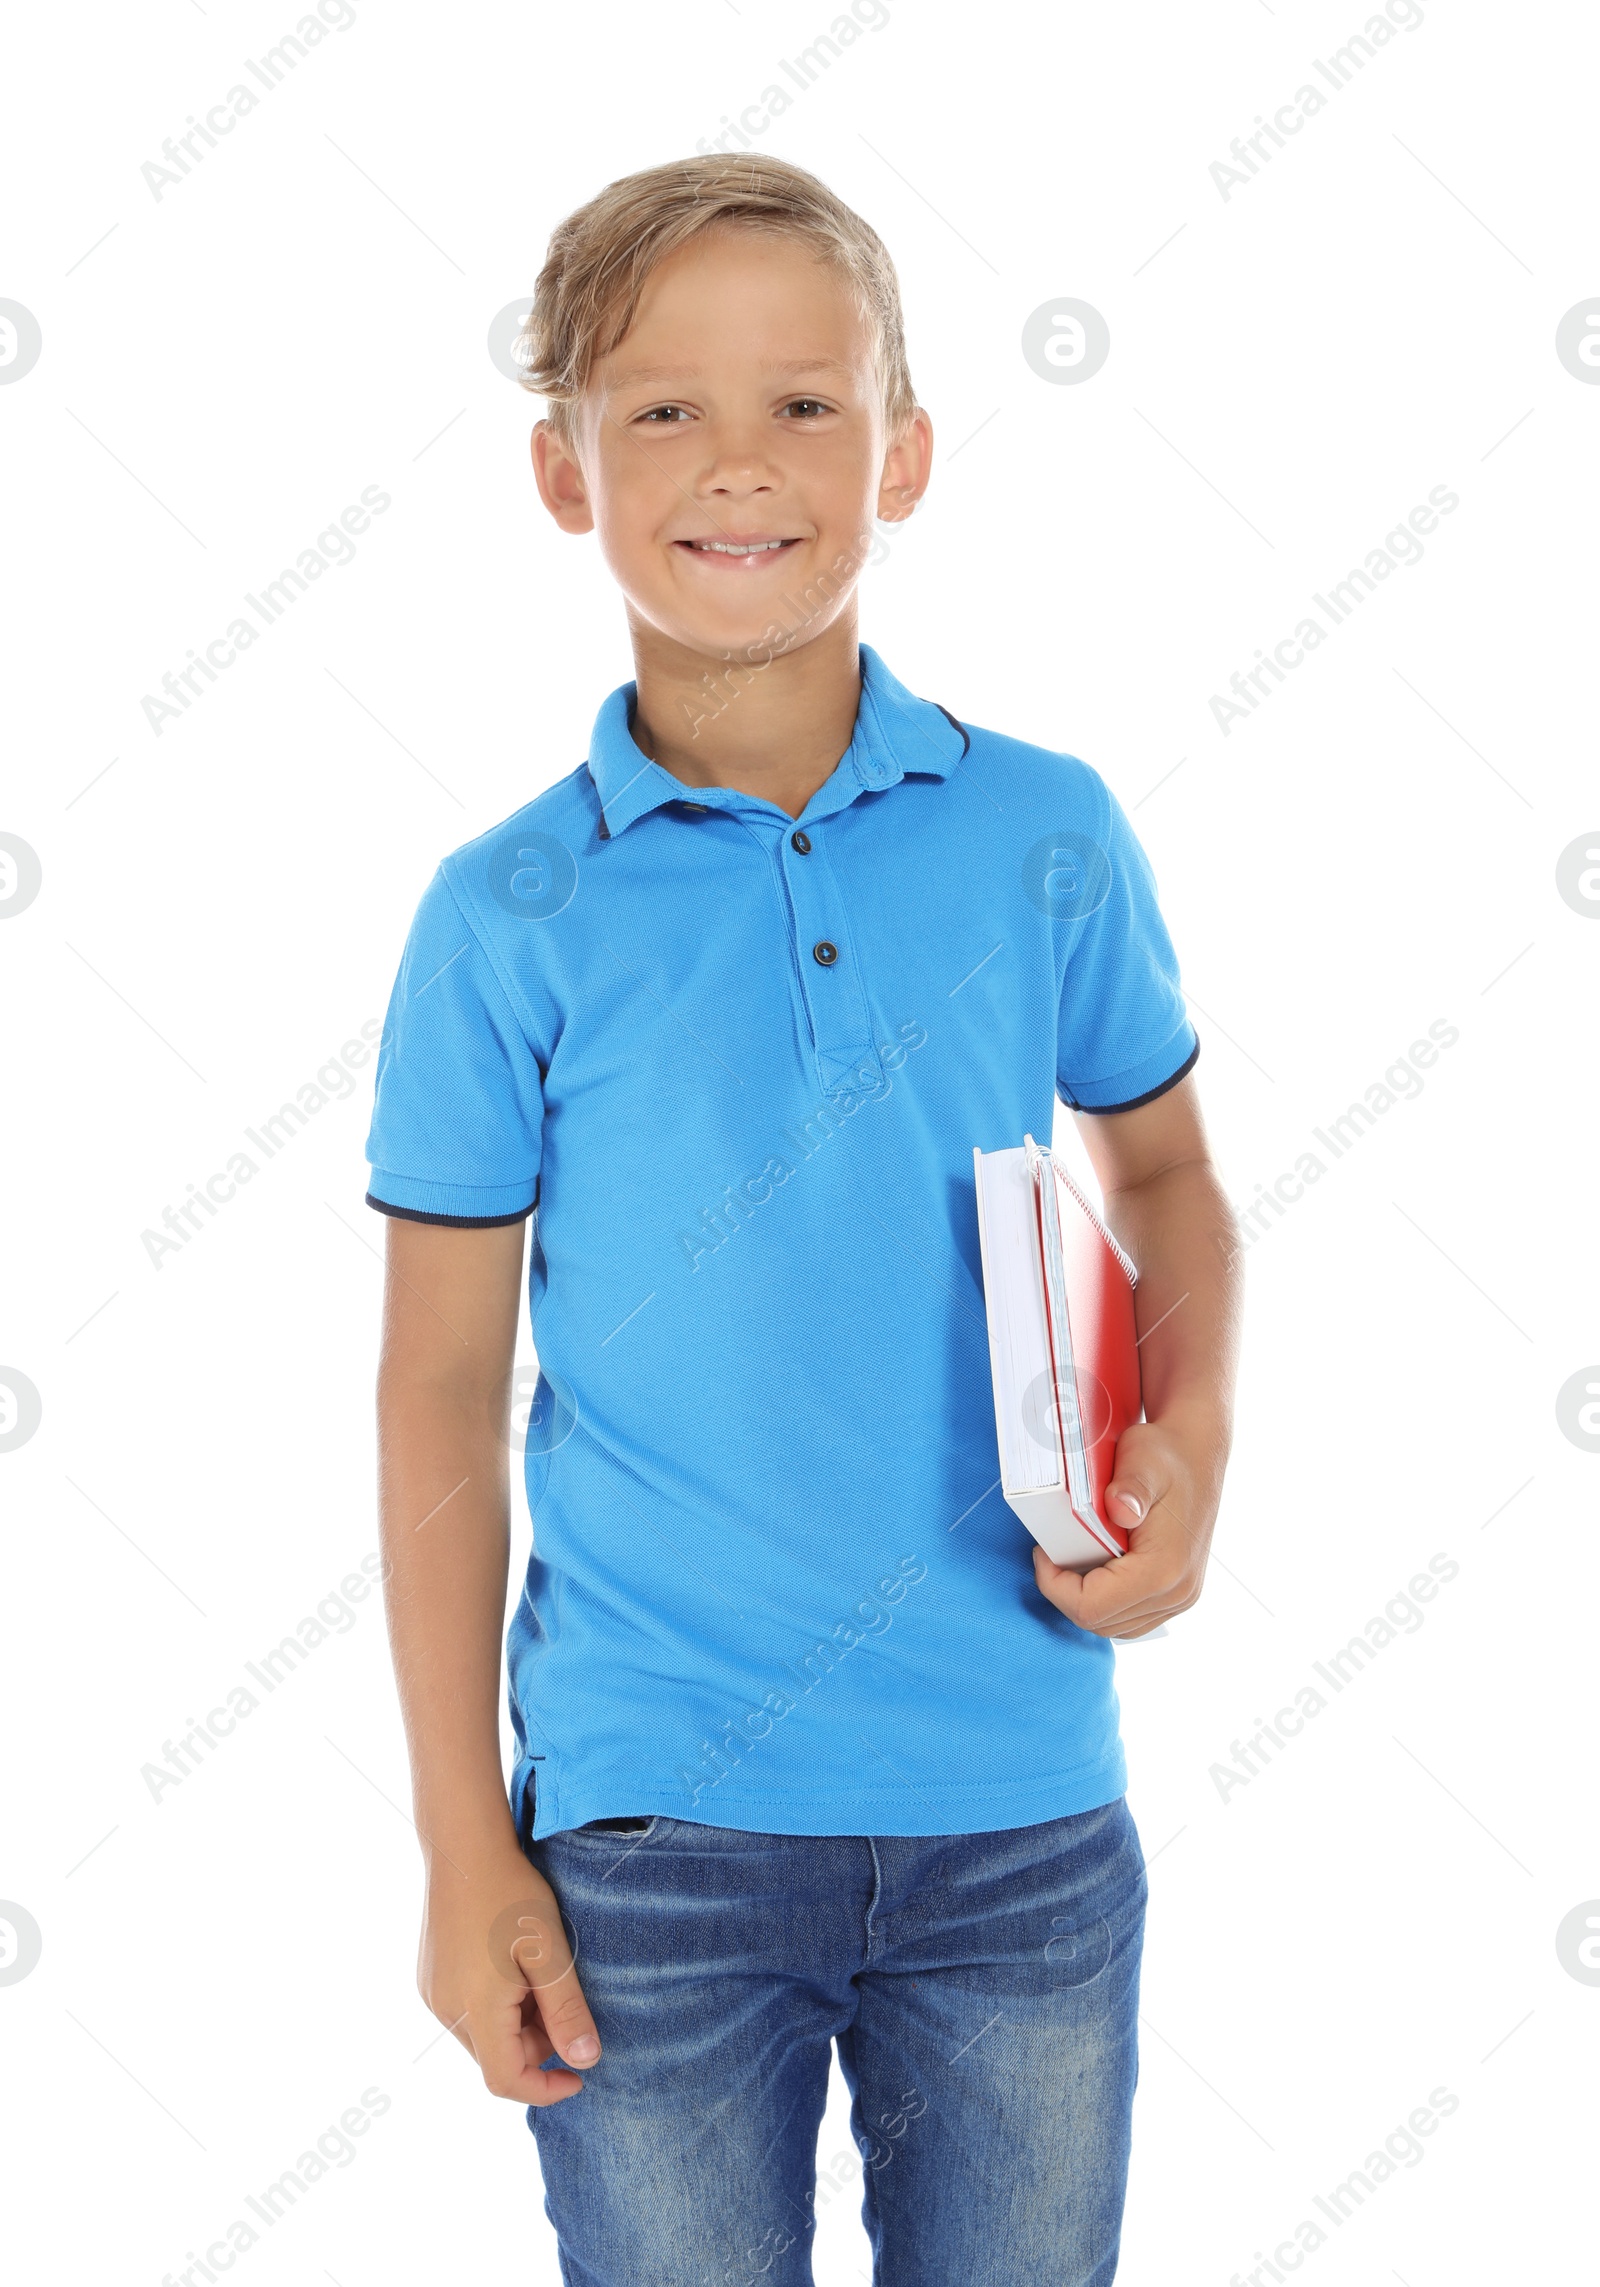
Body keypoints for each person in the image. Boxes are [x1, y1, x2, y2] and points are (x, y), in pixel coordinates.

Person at [365, 152, 1241, 2287]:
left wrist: (1188, 1463)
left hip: (1019, 1811)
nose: (734, 465)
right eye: (659, 407)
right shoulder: (505, 918)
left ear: (904, 451)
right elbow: (443, 1393)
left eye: (804, 403)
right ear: (561, 473)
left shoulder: (1046, 832)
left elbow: (1170, 1175)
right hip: (646, 1838)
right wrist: (458, 1838)